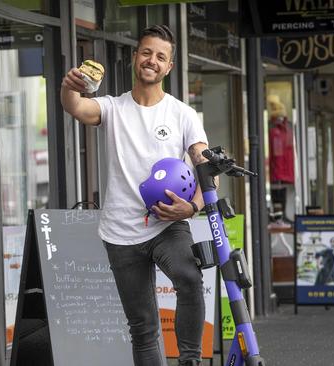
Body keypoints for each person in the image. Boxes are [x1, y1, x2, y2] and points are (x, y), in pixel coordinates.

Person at [60, 25, 209, 366]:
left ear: (168, 67)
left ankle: (189, 359)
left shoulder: (182, 114)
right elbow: (77, 108)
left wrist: (193, 207)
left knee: (188, 279)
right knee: (142, 327)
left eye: (160, 57)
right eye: (146, 53)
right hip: (120, 232)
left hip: (167, 224)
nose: (151, 61)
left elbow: (203, 162)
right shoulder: (113, 107)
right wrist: (69, 88)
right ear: (134, 57)